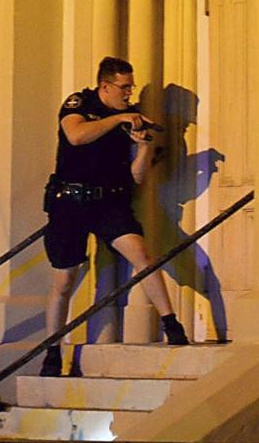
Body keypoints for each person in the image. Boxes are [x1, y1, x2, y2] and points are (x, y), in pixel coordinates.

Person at [39, 57, 189, 377]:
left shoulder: (127, 119)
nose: (128, 93)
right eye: (124, 87)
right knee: (64, 279)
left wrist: (144, 146)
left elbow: (137, 177)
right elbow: (76, 135)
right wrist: (119, 118)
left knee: (142, 254)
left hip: (109, 202)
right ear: (105, 86)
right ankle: (52, 350)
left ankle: (171, 324)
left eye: (131, 87)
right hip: (71, 201)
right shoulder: (80, 103)